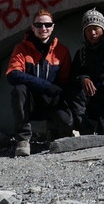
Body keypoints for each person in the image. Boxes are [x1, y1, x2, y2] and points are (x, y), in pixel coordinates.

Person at [5, 8, 73, 156]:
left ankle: (53, 130)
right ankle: (23, 140)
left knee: (66, 121)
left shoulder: (61, 51)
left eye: (48, 25)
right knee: (19, 89)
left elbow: (65, 81)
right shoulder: (22, 49)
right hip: (31, 102)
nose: (44, 28)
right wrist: (45, 86)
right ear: (33, 27)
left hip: (50, 101)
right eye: (39, 25)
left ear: (53, 27)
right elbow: (12, 74)